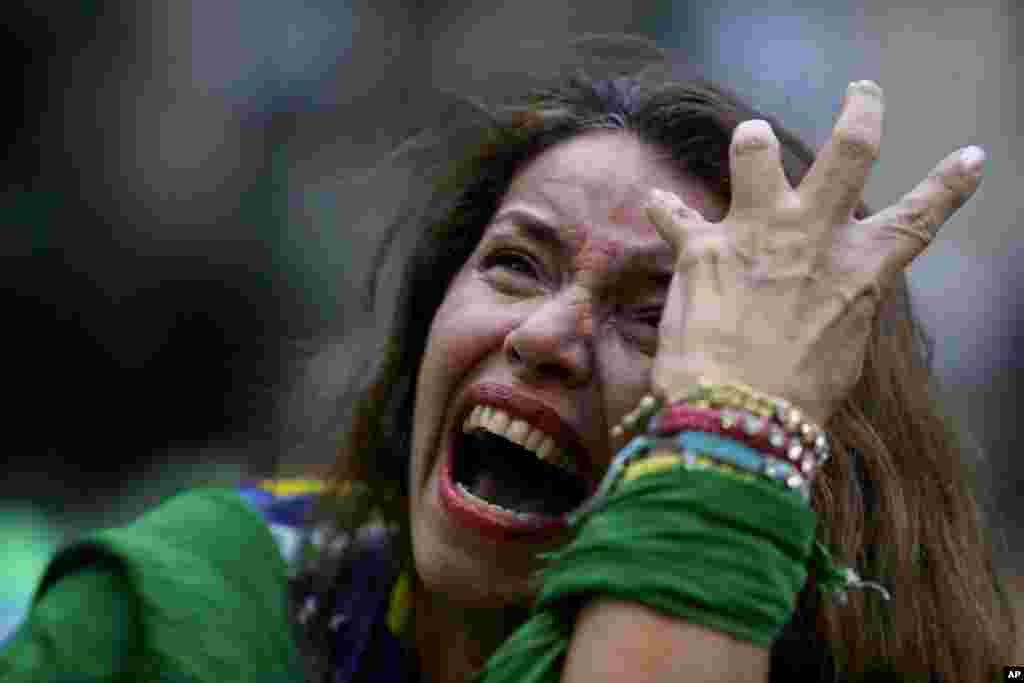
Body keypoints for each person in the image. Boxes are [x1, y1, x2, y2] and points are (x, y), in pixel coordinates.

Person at [1, 35, 1017, 683]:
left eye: (656, 313)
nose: (542, 335)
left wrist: (731, 430)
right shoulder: (178, 615)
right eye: (515, 263)